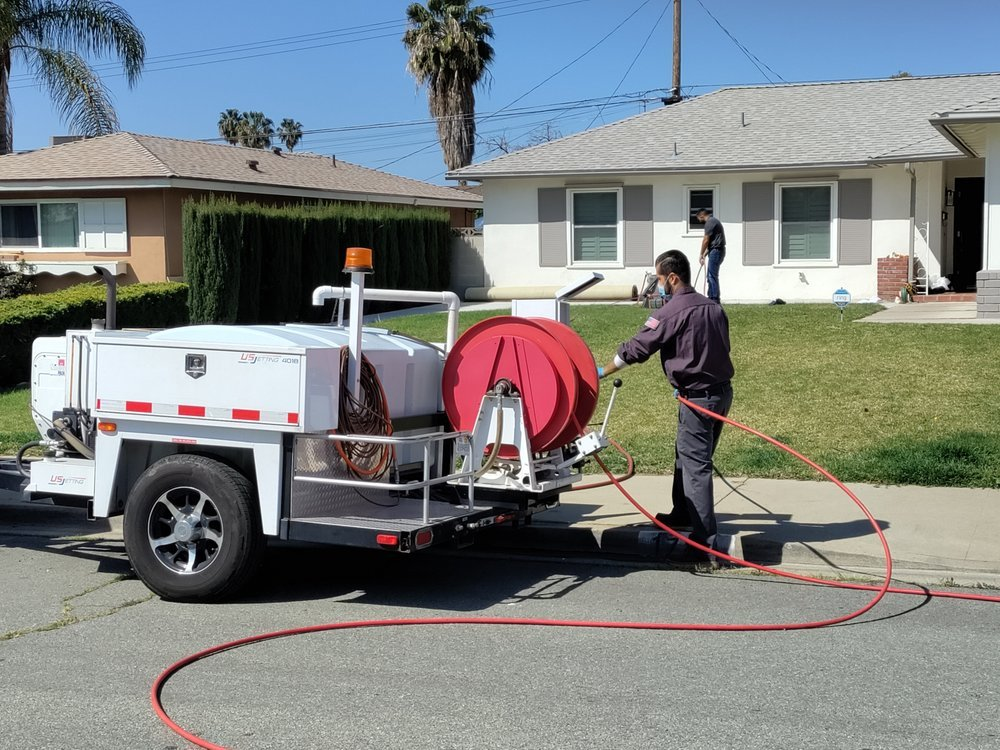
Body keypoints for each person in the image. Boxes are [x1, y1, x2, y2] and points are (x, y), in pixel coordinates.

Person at [598, 250, 734, 561]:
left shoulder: (672, 311)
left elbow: (637, 347)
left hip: (698, 400)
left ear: (672, 278)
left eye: (659, 280)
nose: (657, 286)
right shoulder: (713, 307)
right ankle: (682, 513)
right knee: (685, 456)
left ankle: (705, 545)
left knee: (696, 466)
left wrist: (605, 370)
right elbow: (719, 347)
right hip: (720, 394)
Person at [696, 208, 725, 304]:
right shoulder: (714, 221)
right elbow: (714, 240)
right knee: (711, 276)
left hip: (715, 251)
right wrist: (705, 253)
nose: (699, 221)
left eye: (699, 219)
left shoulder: (710, 222)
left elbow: (706, 240)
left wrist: (700, 254)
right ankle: (712, 297)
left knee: (712, 276)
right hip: (716, 250)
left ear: (701, 215)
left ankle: (714, 299)